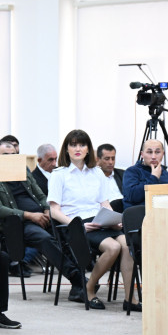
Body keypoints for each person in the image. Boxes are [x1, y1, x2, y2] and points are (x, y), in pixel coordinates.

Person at [48, 129, 139, 312]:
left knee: (126, 244)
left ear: (88, 149)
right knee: (113, 247)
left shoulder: (97, 173)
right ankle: (89, 289)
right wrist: (77, 225)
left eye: (82, 145)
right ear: (66, 149)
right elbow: (54, 211)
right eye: (73, 145)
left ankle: (130, 298)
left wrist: (113, 219)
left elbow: (105, 203)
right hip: (75, 224)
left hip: (100, 220)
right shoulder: (59, 174)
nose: (78, 149)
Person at [0, 142, 86, 300]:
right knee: (44, 238)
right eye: (5, 155)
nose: (10, 158)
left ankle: (80, 282)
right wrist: (29, 215)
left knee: (68, 231)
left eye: (13, 155)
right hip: (18, 224)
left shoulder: (23, 169)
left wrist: (46, 209)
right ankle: (77, 278)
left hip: (41, 217)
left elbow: (41, 196)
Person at [122, 139, 168, 209]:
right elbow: (133, 197)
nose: (153, 157)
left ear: (163, 154)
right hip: (139, 214)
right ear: (142, 154)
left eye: (157, 152)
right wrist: (154, 177)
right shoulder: (132, 172)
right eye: (149, 152)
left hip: (164, 213)